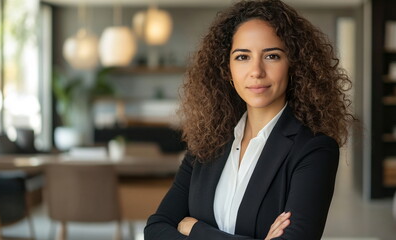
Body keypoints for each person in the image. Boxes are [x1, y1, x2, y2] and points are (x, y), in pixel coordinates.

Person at [144, 0, 355, 239]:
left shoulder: (314, 149)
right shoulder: (207, 141)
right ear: (227, 70)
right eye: (242, 57)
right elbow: (156, 229)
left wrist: (195, 229)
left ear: (293, 65)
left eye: (272, 56)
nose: (256, 71)